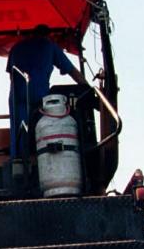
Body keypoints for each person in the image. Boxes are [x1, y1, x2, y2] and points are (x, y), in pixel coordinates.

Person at [6, 25, 89, 157]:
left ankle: (18, 160)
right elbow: (71, 70)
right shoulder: (49, 46)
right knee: (44, 128)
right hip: (39, 94)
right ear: (48, 35)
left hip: (17, 95)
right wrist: (87, 87)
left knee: (19, 131)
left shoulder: (16, 48)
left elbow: (11, 75)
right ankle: (41, 156)